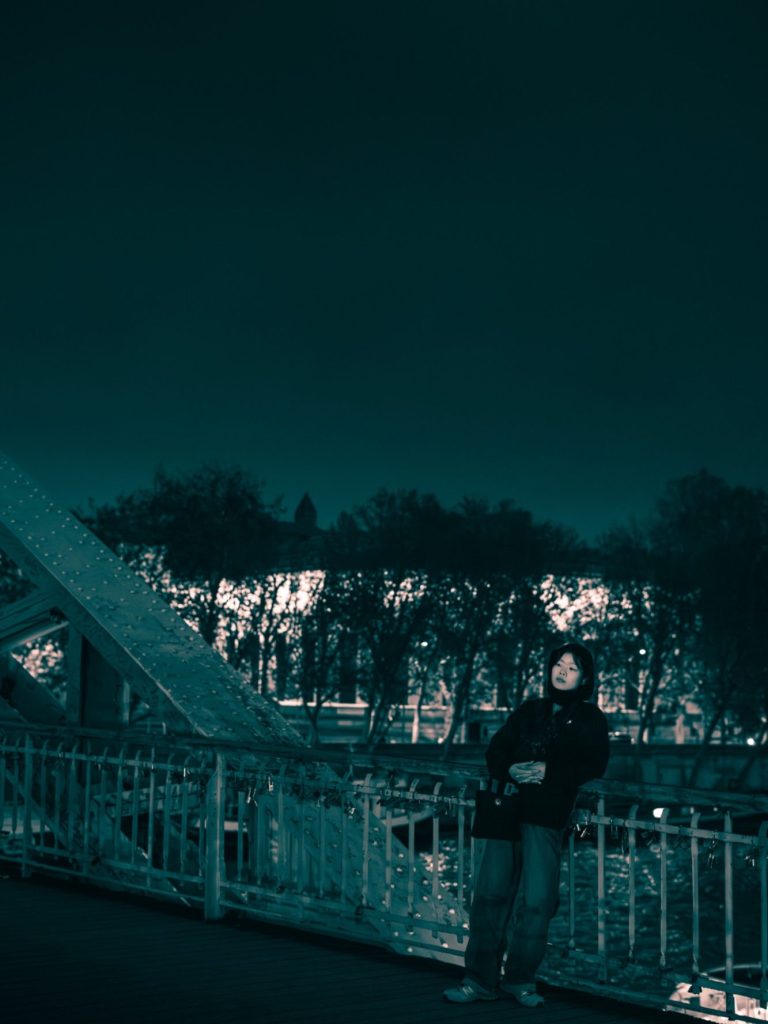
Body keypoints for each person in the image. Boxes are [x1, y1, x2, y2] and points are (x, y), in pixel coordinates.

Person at [444, 641, 609, 1006]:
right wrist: (510, 769)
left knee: (536, 902)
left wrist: (550, 771)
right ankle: (479, 982)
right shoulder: (529, 710)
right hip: (506, 812)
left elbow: (594, 764)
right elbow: (497, 749)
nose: (562, 670)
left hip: (546, 816)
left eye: (572, 667)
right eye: (558, 664)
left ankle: (520, 980)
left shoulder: (590, 718)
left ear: (585, 678)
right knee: (489, 897)